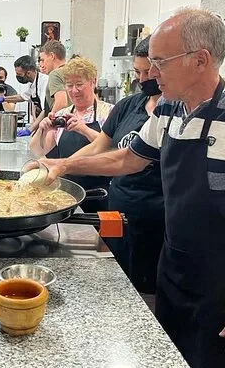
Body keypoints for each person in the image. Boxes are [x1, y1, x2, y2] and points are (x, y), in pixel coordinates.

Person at [40, 8, 225, 368]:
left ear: (200, 60)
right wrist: (65, 165)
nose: (152, 73)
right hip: (175, 269)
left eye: (161, 62)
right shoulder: (168, 109)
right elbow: (129, 159)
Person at [63, 37, 165, 296]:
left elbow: (127, 160)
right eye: (137, 72)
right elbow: (99, 146)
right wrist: (63, 165)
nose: (142, 79)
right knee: (114, 282)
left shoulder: (171, 111)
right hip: (118, 211)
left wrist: (61, 166)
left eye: (147, 72)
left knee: (146, 292)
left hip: (155, 219)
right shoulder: (128, 106)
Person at [29, 56, 113, 212]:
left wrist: (84, 129)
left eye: (79, 84)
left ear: (93, 82)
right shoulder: (63, 115)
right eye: (69, 85)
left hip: (99, 194)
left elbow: (113, 150)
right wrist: (42, 129)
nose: (74, 91)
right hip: (67, 195)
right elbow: (38, 151)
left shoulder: (109, 112)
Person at [3, 55, 48, 132]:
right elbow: (22, 97)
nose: (17, 76)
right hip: (41, 123)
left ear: (28, 73)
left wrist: (30, 129)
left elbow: (45, 110)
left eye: (19, 74)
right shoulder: (33, 83)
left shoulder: (44, 81)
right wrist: (3, 99)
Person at [39, 40, 71, 116]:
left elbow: (61, 103)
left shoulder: (55, 74)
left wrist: (50, 119)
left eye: (43, 60)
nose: (42, 65)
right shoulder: (73, 71)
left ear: (52, 56)